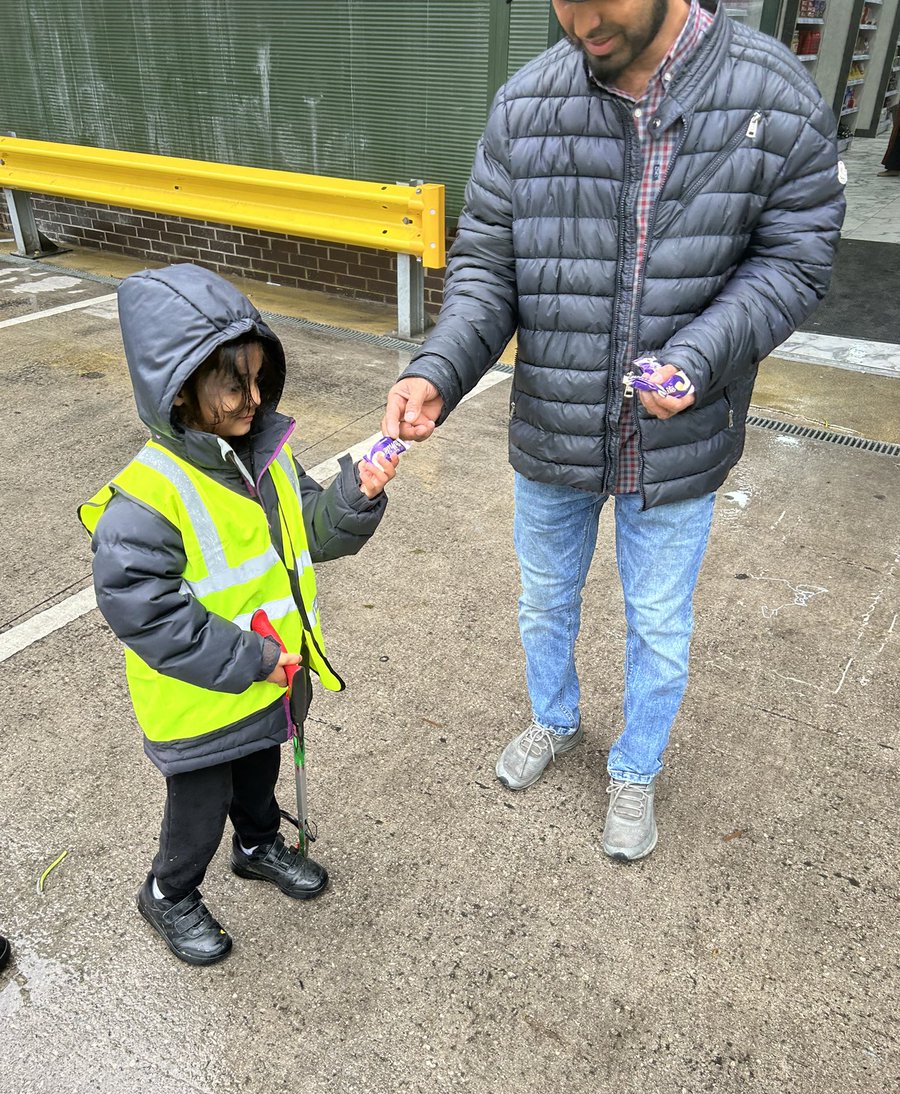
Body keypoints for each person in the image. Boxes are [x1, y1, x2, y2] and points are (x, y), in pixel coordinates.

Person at [383, 0, 845, 861]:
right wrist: (437, 366)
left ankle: (636, 767)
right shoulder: (527, 104)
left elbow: (796, 256)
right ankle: (555, 719)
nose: (580, 15)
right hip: (554, 425)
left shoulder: (773, 96)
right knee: (543, 598)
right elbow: (489, 263)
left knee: (659, 620)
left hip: (680, 436)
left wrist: (700, 357)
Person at [81, 263, 400, 964]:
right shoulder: (144, 501)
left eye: (260, 379)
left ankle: (257, 845)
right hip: (200, 701)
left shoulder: (268, 457)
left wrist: (357, 493)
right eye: (235, 385)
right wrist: (254, 658)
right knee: (197, 811)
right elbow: (151, 615)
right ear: (182, 391)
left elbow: (312, 529)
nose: (254, 398)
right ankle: (169, 893)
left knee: (259, 774)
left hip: (270, 677)